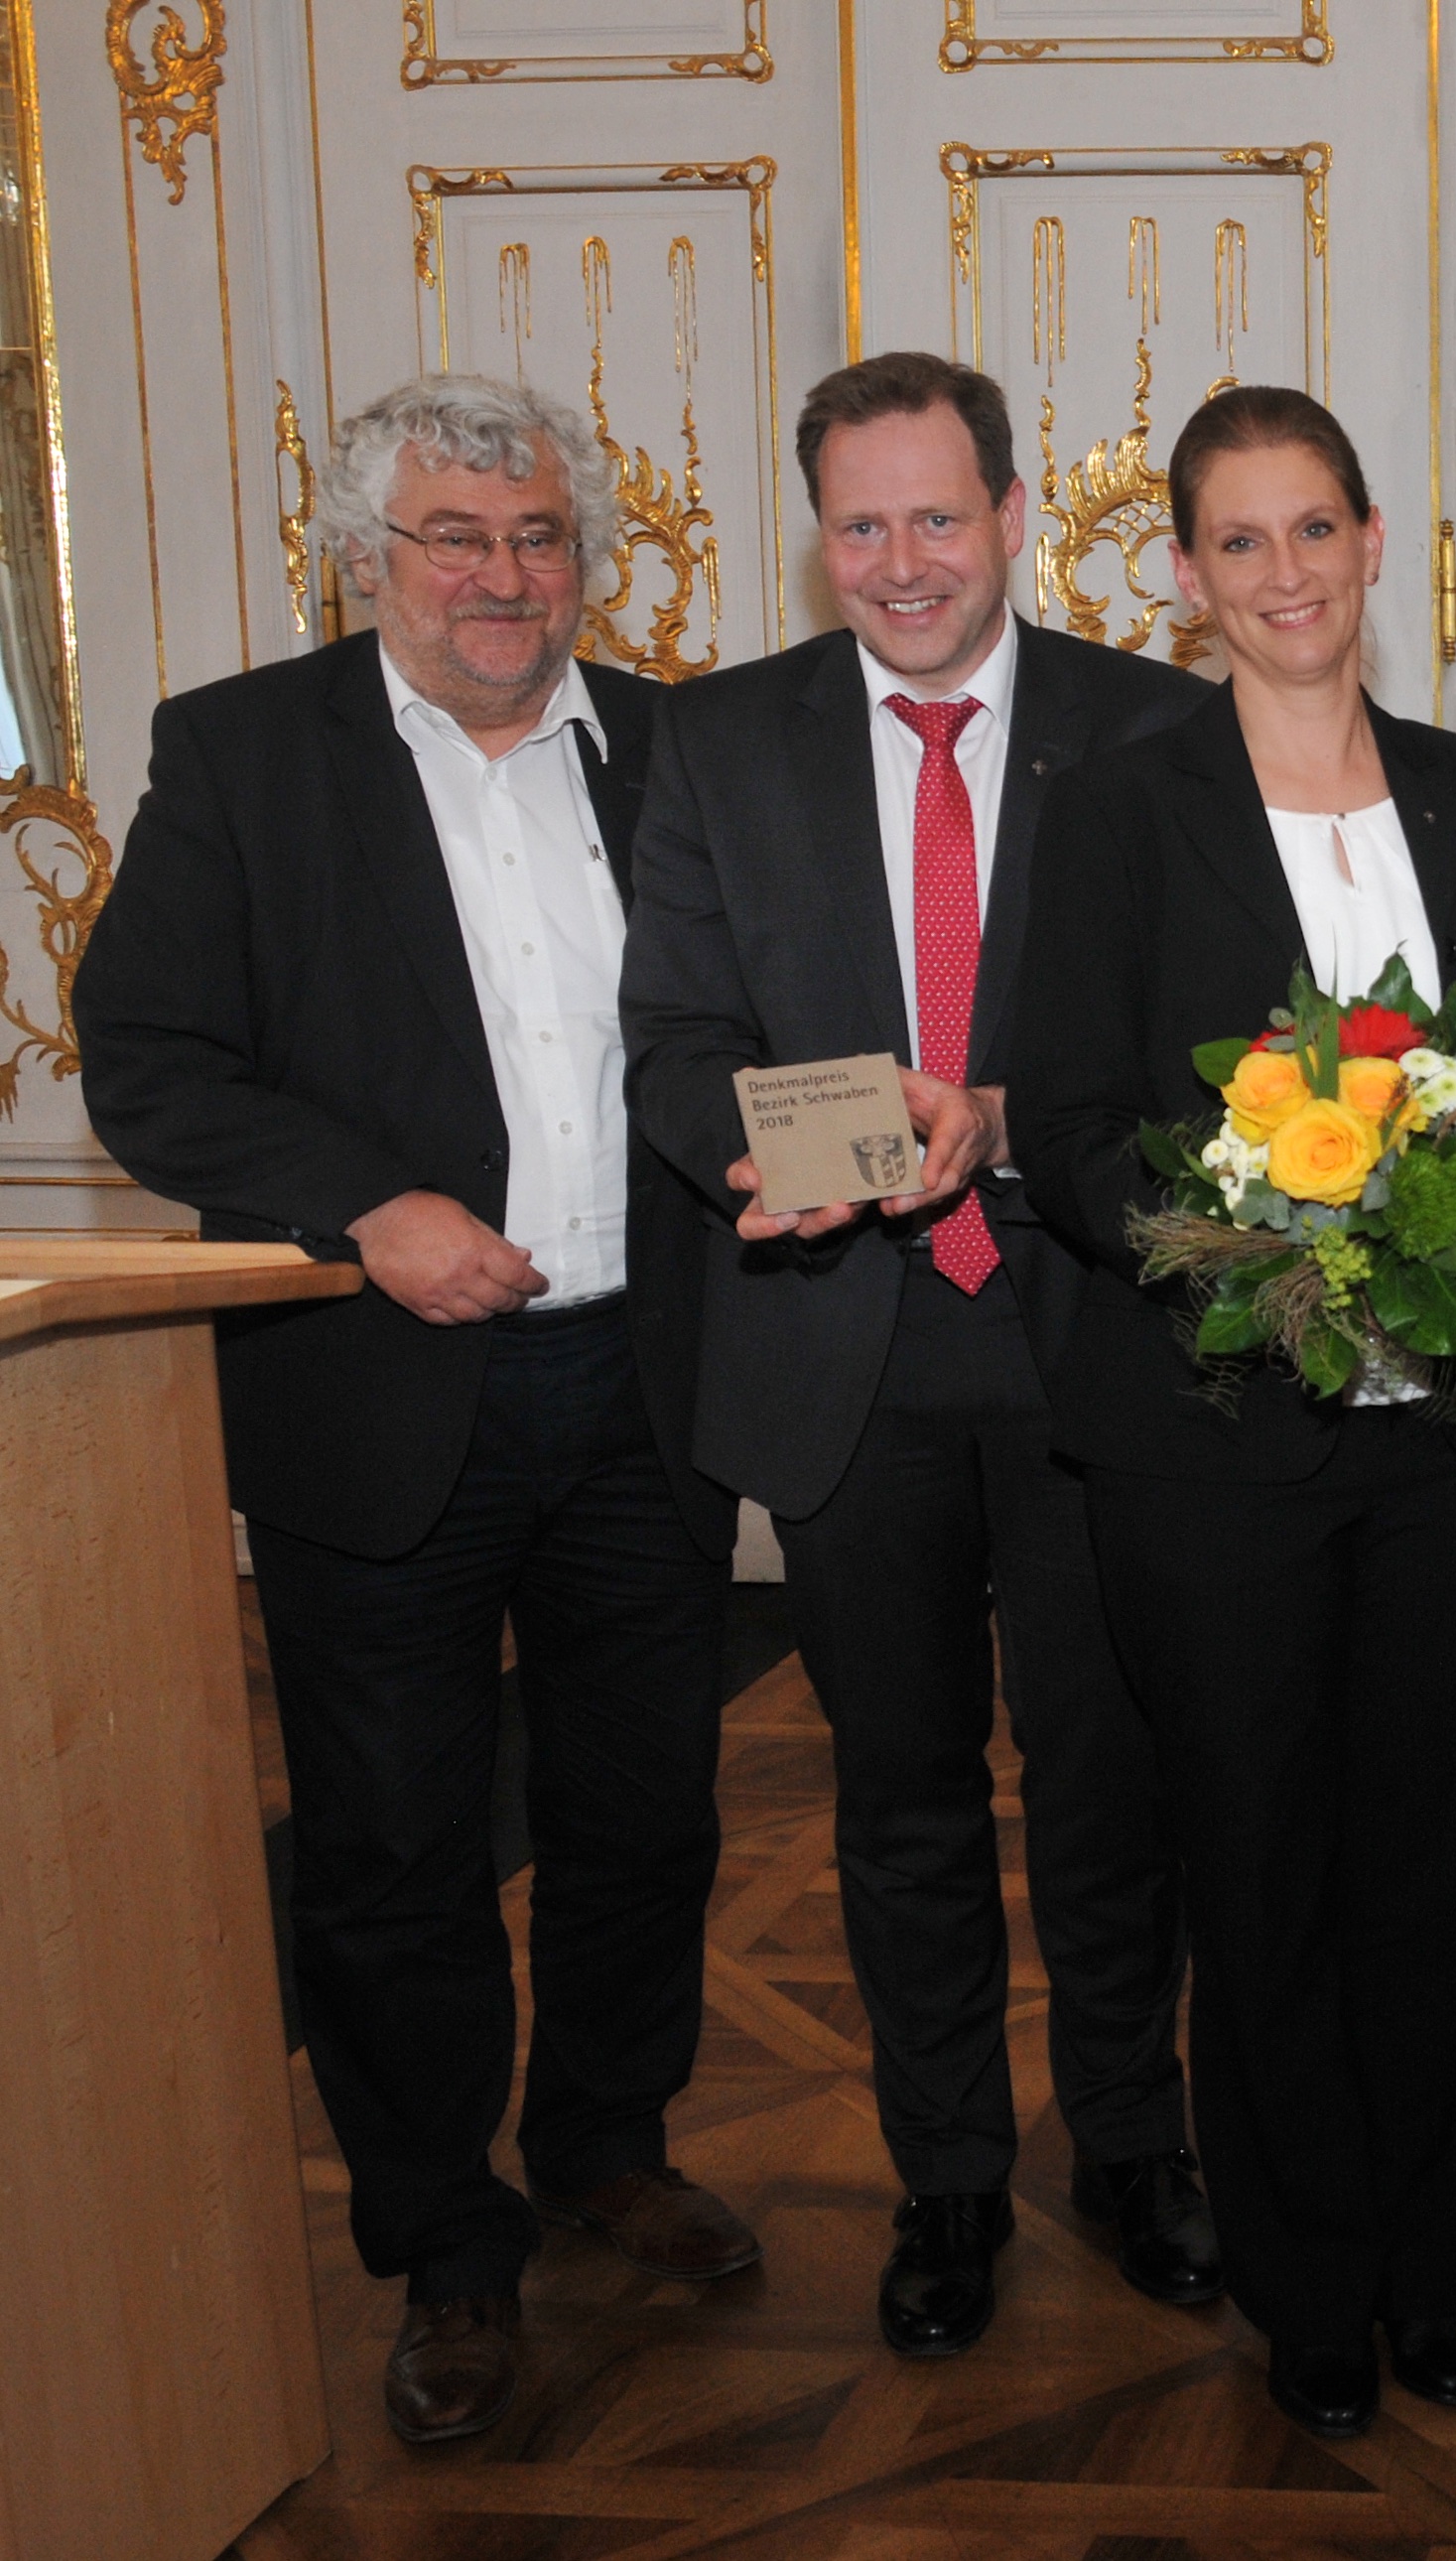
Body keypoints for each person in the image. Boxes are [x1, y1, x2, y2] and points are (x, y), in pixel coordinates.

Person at [75, 375, 751, 2445]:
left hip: (649, 1379)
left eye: (539, 537)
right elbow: (152, 1057)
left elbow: (761, 1017)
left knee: (648, 1807)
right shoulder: (245, 755)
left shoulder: (677, 747)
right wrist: (365, 1208)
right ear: (364, 558)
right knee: (393, 1849)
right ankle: (443, 2243)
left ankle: (606, 2142)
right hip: (381, 1396)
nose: (503, 576)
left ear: (587, 562)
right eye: (454, 538)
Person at [618, 351, 1217, 2360]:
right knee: (897, 1807)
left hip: (1083, 1341)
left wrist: (1009, 1114)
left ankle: (1133, 2148)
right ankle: (946, 2179)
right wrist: (756, 1157)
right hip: (839, 1355)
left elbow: (1201, 1046)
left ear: (1016, 514)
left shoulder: (1155, 727)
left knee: (1112, 1790)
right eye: (860, 524)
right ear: (820, 537)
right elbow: (677, 1039)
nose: (900, 561)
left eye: (936, 517)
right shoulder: (717, 745)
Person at [1008, 387, 1456, 2440]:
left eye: (1316, 527)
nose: (1287, 572)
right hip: (1206, 1439)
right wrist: (1239, 1245)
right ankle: (1307, 2287)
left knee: (1428, 1865)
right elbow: (1059, 1126)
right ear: (1185, 578)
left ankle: (1427, 2272)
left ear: (1377, 538)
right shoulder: (1122, 808)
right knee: (1258, 1866)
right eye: (1240, 541)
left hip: (1454, 1440)